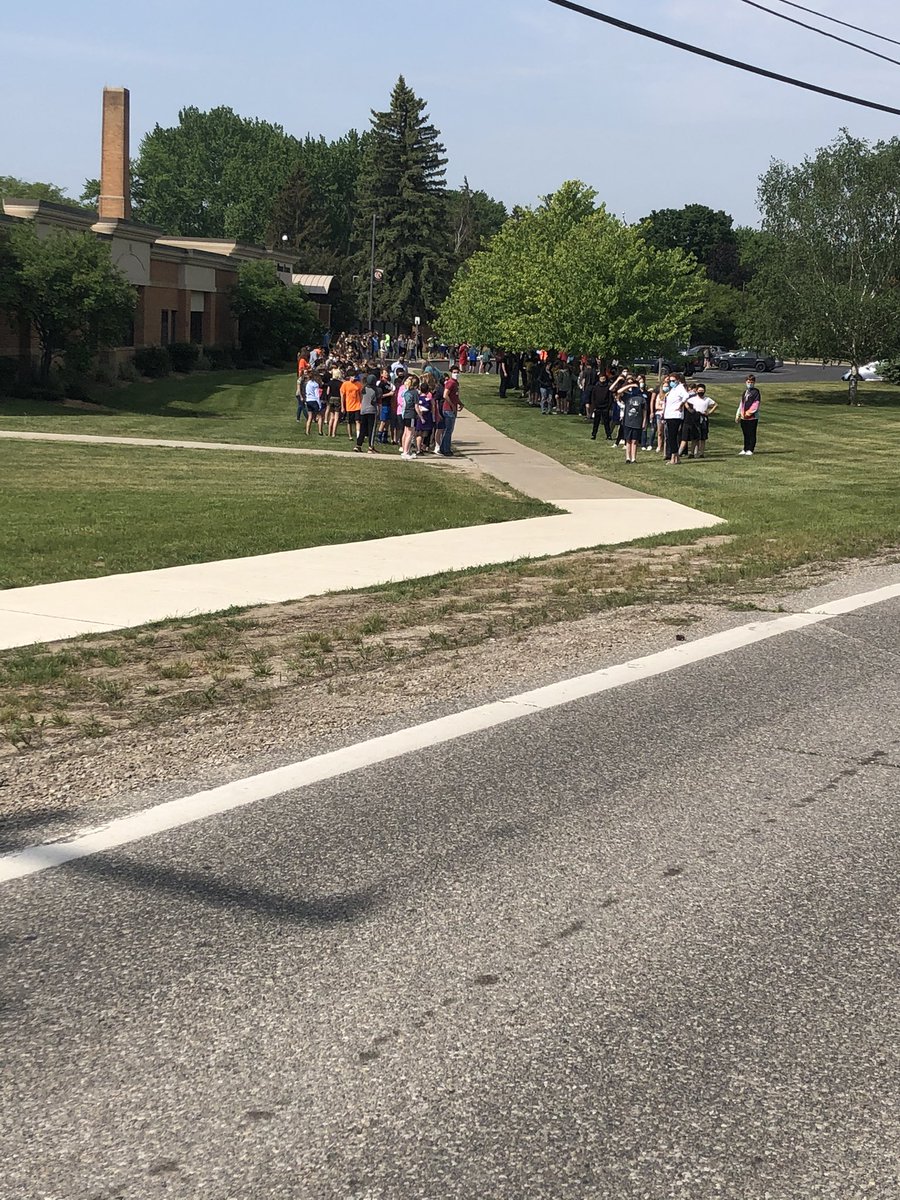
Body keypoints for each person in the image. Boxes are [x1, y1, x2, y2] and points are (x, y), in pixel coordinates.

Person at [619, 375, 648, 463]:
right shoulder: (628, 396)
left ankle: (633, 458)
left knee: (634, 441)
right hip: (628, 421)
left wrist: (644, 422)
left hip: (637, 422)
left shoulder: (642, 399)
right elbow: (619, 391)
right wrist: (630, 385)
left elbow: (644, 411)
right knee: (628, 440)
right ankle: (627, 458)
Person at [662, 373, 689, 464]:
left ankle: (674, 458)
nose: (671, 382)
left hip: (675, 415)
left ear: (678, 380)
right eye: (670, 381)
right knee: (671, 437)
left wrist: (681, 404)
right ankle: (676, 458)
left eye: (673, 381)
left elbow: (686, 396)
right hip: (669, 415)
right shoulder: (673, 389)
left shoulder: (680, 387)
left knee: (672, 437)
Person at [439, 367, 463, 456]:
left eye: (457, 372)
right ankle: (446, 449)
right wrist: (452, 405)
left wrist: (460, 403)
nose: (456, 374)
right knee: (448, 430)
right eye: (454, 372)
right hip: (448, 409)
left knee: (449, 429)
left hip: (453, 409)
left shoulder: (456, 383)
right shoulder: (450, 383)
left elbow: (455, 396)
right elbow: (445, 395)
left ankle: (443, 448)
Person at [736, 374, 761, 455]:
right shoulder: (745, 392)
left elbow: (756, 404)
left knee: (751, 433)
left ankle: (751, 449)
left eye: (751, 382)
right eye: (748, 382)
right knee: (745, 433)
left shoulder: (756, 392)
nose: (750, 383)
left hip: (752, 417)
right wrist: (738, 414)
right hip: (743, 417)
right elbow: (741, 404)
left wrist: (749, 412)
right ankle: (745, 448)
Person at [355, 373, 379, 452]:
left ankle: (358, 445)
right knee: (371, 430)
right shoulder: (375, 390)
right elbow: (375, 401)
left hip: (363, 410)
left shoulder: (363, 389)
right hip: (372, 410)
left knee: (363, 429)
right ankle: (370, 447)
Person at [340, 371, 363, 443]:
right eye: (352, 376)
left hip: (357, 405)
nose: (353, 378)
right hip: (349, 406)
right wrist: (342, 407)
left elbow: (361, 395)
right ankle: (350, 436)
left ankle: (358, 435)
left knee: (357, 421)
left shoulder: (359, 384)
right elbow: (342, 396)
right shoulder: (345, 384)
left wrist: (361, 404)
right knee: (349, 422)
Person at [590, 372, 613, 441]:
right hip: (597, 407)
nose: (602, 379)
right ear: (599, 378)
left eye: (604, 378)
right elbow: (593, 397)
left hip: (605, 407)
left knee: (606, 423)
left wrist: (608, 406)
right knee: (596, 422)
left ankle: (608, 435)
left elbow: (610, 398)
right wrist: (594, 406)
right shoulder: (595, 387)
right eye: (601, 378)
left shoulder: (608, 387)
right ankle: (594, 434)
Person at [304, 371, 325, 436]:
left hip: (308, 400)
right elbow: (317, 395)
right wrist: (319, 404)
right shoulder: (315, 384)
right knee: (320, 416)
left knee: (310, 417)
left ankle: (307, 431)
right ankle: (320, 431)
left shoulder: (307, 383)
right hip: (314, 400)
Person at [324, 368, 343, 437]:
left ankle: (329, 432)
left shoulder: (330, 382)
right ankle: (333, 433)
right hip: (337, 398)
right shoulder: (341, 383)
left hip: (331, 399)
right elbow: (341, 393)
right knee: (336, 417)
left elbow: (328, 392)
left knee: (331, 416)